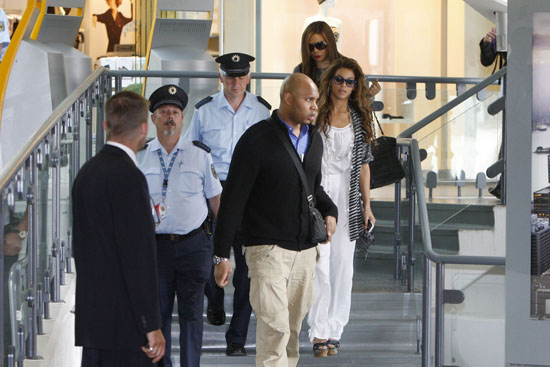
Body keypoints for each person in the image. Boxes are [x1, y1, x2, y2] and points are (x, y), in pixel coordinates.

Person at [213, 73, 338, 367]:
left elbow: (312, 186)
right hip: (266, 251)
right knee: (275, 330)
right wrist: (221, 254)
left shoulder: (315, 139)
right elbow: (233, 199)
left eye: (317, 100)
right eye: (309, 100)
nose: (315, 107)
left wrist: (330, 210)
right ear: (288, 98)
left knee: (292, 332)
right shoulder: (256, 139)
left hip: (305, 252)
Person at [184, 52, 271, 357]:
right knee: (210, 256)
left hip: (250, 200)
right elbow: (191, 155)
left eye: (241, 76)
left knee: (247, 269)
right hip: (214, 194)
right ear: (220, 77)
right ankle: (216, 300)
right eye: (230, 76)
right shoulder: (204, 111)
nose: (235, 82)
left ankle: (237, 338)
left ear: (249, 77)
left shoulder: (262, 112)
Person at [72, 91, 165, 366]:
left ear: (105, 125)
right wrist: (151, 323)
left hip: (93, 323)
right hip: (126, 326)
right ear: (144, 128)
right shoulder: (130, 177)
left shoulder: (86, 173)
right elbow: (137, 258)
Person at [138, 85, 222, 367]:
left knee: (191, 316)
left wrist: (221, 251)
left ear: (182, 118)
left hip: (193, 246)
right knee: (157, 316)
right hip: (155, 249)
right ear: (153, 119)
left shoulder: (200, 155)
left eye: (175, 112)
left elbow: (216, 202)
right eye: (164, 112)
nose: (170, 117)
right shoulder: (140, 155)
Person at [306, 57, 376, 357]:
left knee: (343, 268)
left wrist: (368, 205)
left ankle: (335, 329)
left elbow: (363, 165)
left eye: (350, 81)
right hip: (319, 194)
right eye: (339, 80)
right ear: (330, 81)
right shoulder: (315, 114)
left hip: (349, 198)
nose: (344, 86)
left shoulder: (360, 118)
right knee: (320, 264)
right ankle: (318, 330)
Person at [479, 28, 507, 199]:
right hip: (514, 86)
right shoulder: (504, 24)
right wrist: (488, 42)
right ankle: (504, 183)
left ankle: (505, 183)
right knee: (510, 136)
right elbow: (487, 60)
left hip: (535, 85)